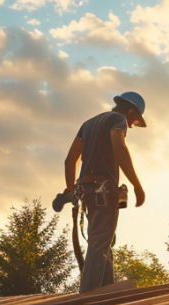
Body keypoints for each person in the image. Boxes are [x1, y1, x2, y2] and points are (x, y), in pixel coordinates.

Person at [63, 91, 147, 292]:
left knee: (102, 239)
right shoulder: (118, 119)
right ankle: (88, 296)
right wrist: (137, 185)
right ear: (129, 110)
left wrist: (70, 189)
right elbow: (119, 148)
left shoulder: (88, 124)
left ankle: (107, 290)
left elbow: (70, 159)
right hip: (103, 189)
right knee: (100, 242)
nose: (132, 125)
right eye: (134, 120)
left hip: (86, 189)